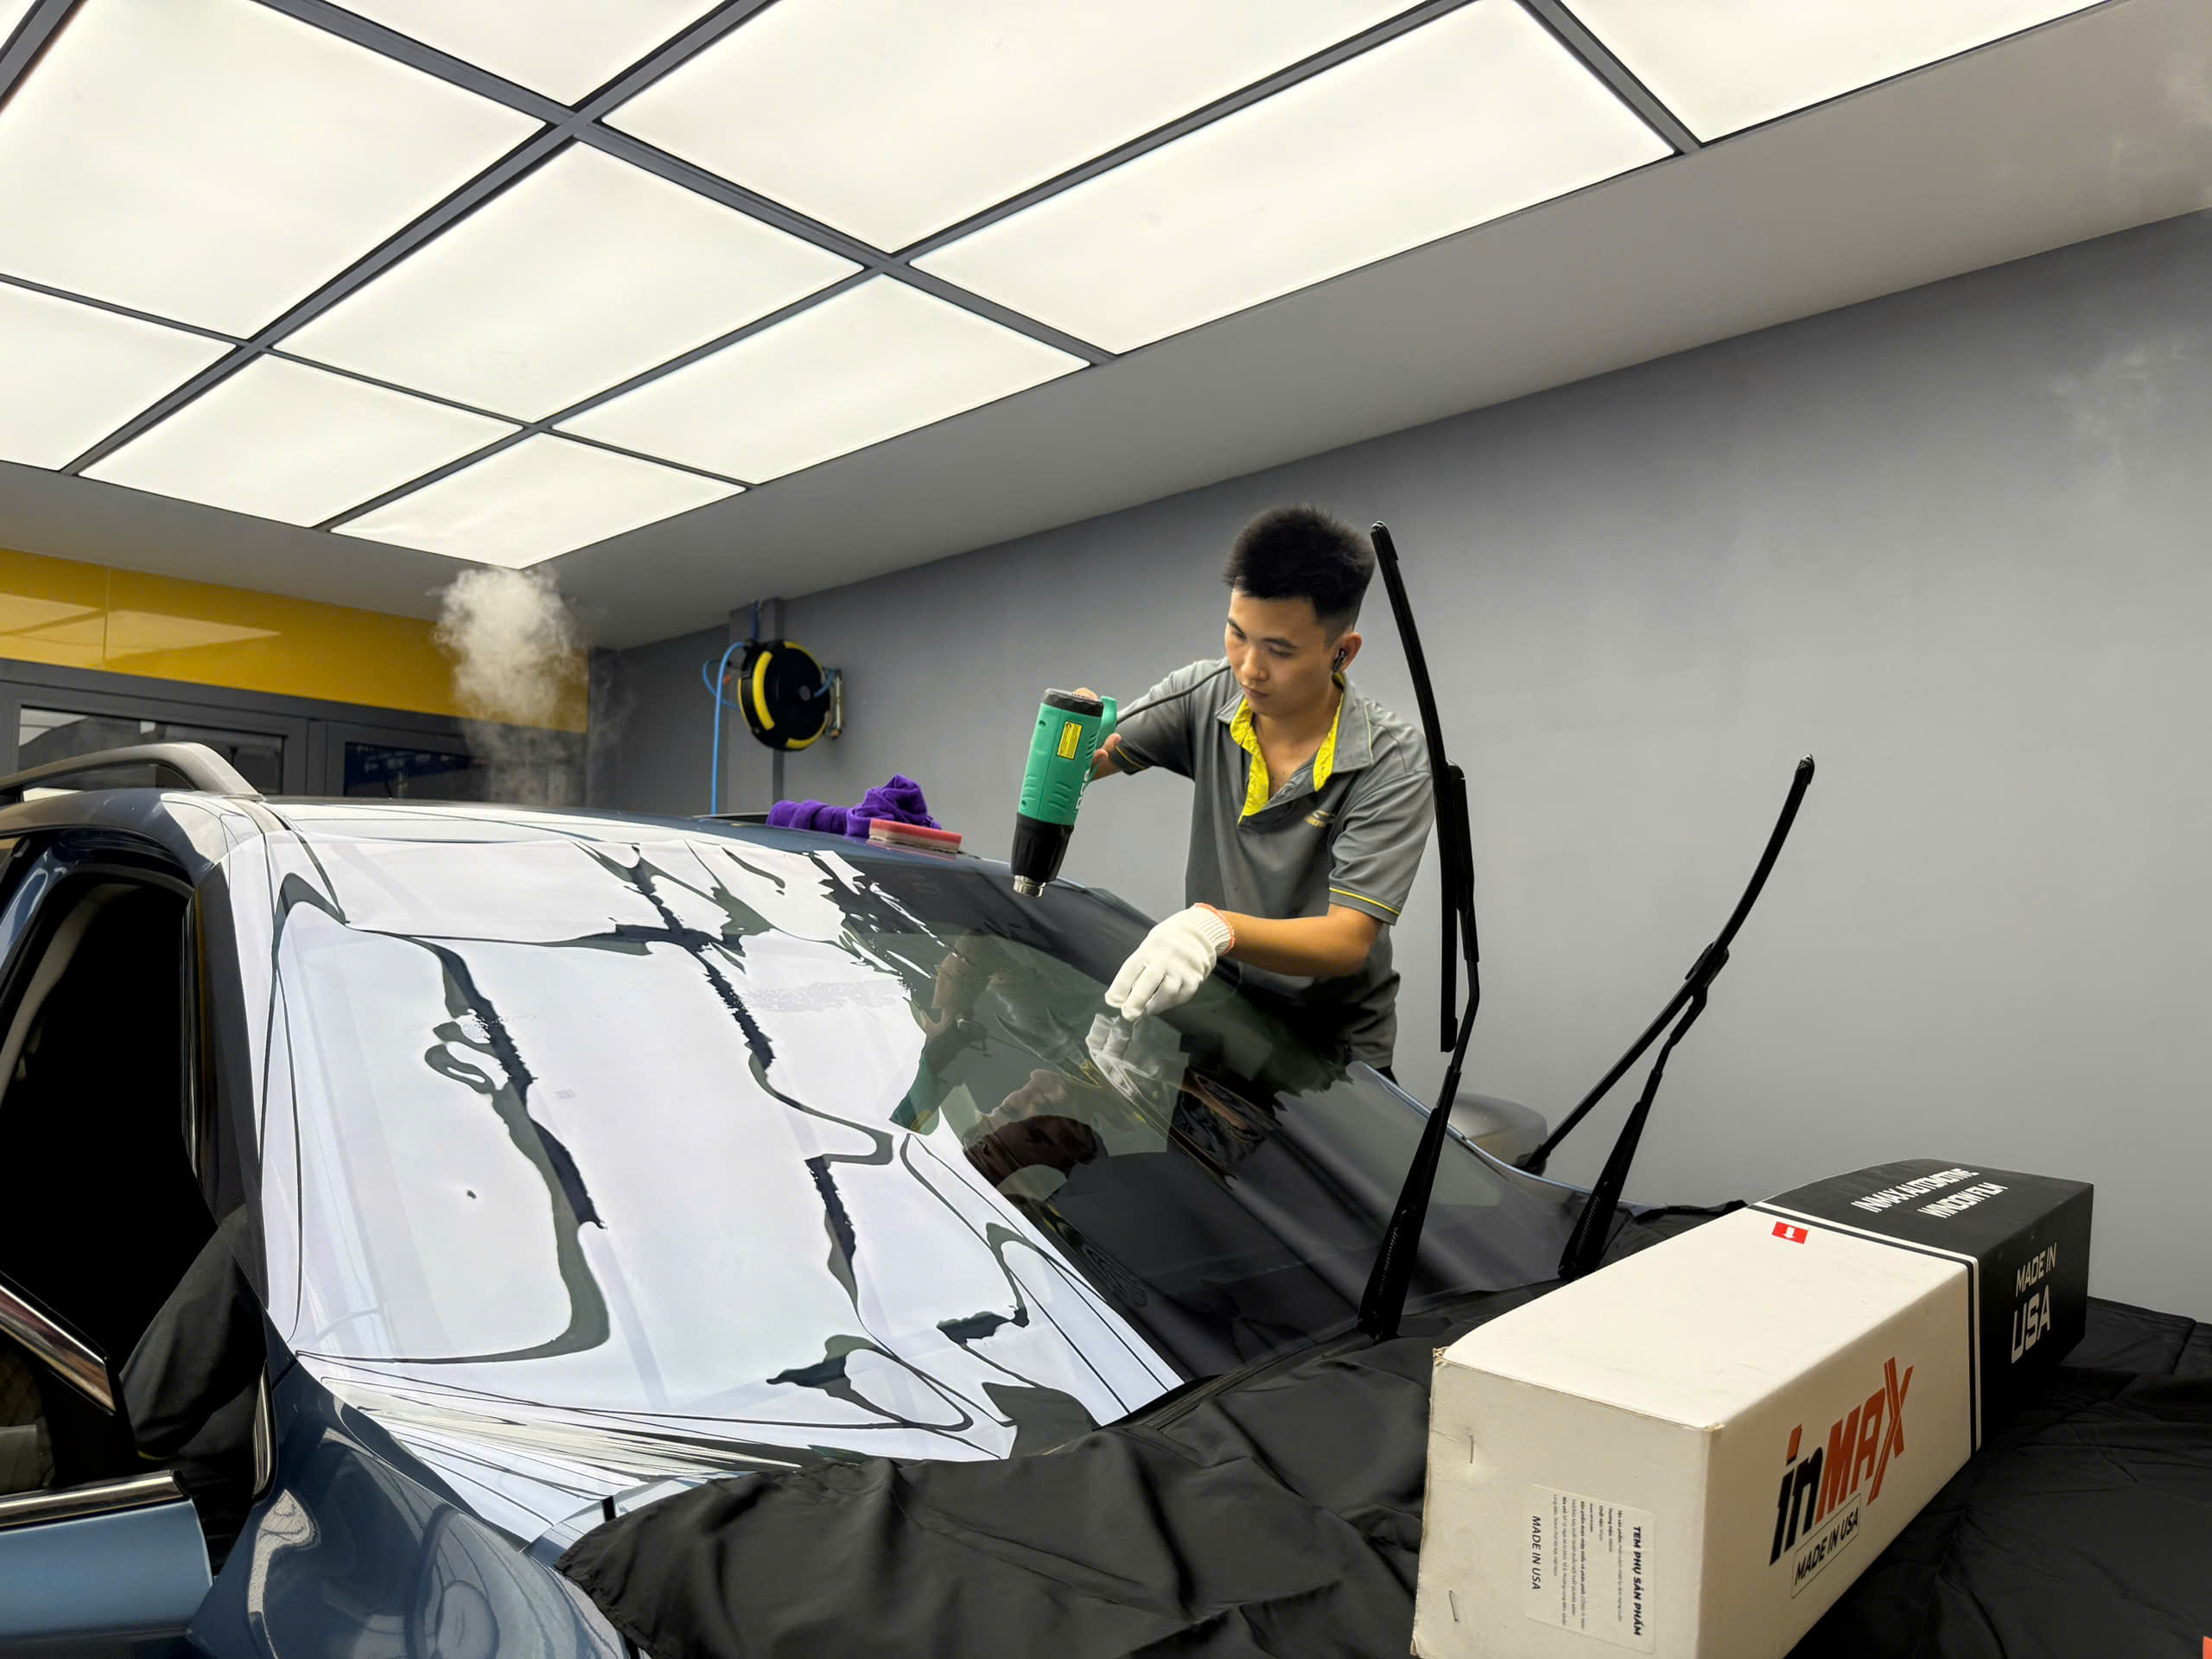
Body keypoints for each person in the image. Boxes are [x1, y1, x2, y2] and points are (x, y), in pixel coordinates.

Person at [1084, 505, 1434, 1076]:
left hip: (1334, 1058)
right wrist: (1067, 747)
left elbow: (1348, 940)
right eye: (1237, 634)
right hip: (1223, 1029)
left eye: (1280, 650)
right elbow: (1086, 764)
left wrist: (1214, 926)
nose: (1249, 669)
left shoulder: (1392, 760)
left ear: (1342, 652)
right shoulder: (1202, 694)